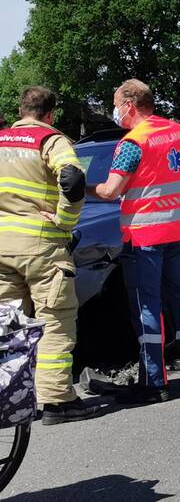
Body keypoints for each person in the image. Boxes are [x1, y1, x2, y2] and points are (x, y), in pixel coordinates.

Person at [90, 79, 180, 403]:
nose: (114, 111)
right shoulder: (177, 131)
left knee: (147, 307)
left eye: (116, 104)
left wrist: (82, 188)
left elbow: (110, 190)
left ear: (129, 105)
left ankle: (155, 383)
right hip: (179, 230)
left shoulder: (132, 143)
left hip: (145, 237)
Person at [0, 87, 98, 425]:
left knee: (8, 324)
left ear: (21, 110)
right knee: (55, 321)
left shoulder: (2, 140)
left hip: (2, 248)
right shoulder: (51, 141)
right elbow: (72, 178)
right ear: (50, 114)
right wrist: (64, 222)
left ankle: (9, 397)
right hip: (41, 247)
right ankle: (57, 402)